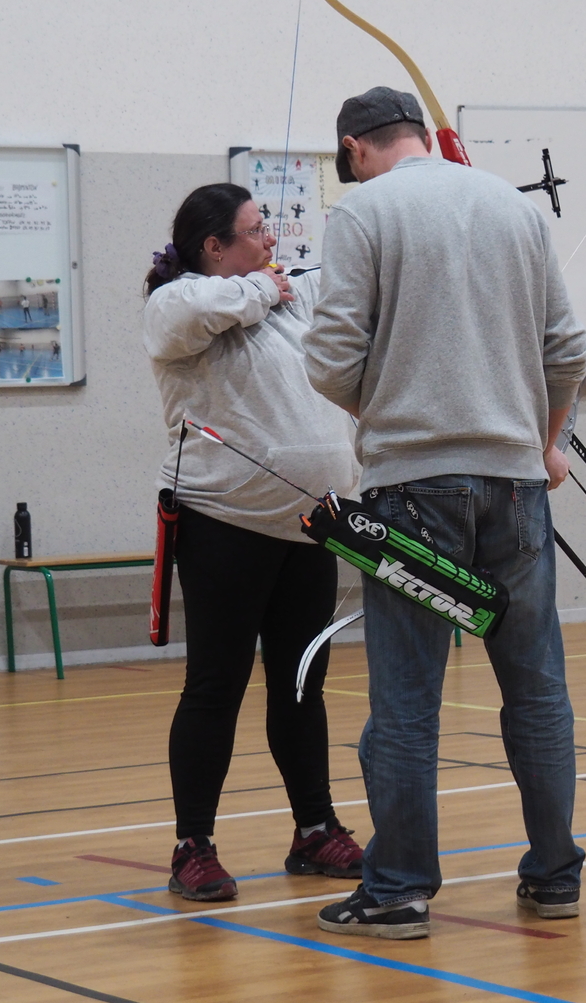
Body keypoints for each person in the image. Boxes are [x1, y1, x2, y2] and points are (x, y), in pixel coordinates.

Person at [303, 86, 586, 940]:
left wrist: (389, 411)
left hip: (411, 490)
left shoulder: (363, 212)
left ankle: (397, 891)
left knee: (405, 703)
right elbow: (566, 350)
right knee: (537, 690)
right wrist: (544, 440)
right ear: (424, 136)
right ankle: (555, 877)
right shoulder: (513, 208)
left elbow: (330, 359)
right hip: (517, 486)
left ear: (355, 149)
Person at [143, 183, 364, 902]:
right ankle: (193, 846)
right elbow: (204, 309)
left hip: (312, 525)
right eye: (254, 229)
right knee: (216, 685)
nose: (270, 239)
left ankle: (314, 829)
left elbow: (356, 283)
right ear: (214, 247)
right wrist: (265, 288)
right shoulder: (176, 302)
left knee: (302, 683)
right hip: (222, 524)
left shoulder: (287, 293)